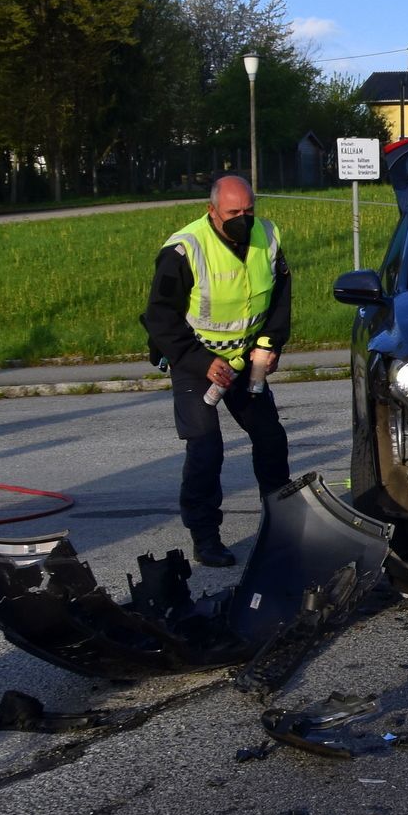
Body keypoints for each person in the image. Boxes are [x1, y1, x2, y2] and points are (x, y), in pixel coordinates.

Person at [140, 174, 292, 567]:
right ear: (211, 211)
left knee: (271, 438)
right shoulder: (184, 249)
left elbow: (279, 298)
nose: (243, 219)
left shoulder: (268, 237)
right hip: (196, 361)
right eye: (233, 213)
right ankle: (205, 537)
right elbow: (159, 319)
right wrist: (200, 361)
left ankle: (283, 522)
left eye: (249, 210)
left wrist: (270, 344)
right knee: (206, 448)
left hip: (245, 359)